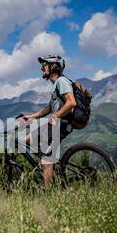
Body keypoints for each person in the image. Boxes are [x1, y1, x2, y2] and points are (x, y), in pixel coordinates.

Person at [21, 55, 77, 186]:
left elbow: (71, 102)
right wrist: (30, 116)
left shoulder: (61, 81)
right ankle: (50, 166)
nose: (41, 68)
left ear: (54, 66)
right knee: (26, 141)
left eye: (44, 65)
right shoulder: (56, 85)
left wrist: (56, 116)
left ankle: (49, 193)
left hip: (60, 125)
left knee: (46, 161)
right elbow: (48, 109)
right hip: (55, 124)